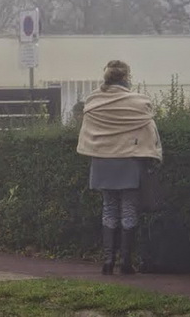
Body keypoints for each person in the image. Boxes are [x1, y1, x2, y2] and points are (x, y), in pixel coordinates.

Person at [77, 60, 162, 275]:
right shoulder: (139, 103)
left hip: (102, 160)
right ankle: (125, 262)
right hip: (129, 161)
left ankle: (107, 261)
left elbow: (88, 130)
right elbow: (149, 132)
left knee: (108, 208)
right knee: (129, 209)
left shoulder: (94, 101)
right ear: (127, 78)